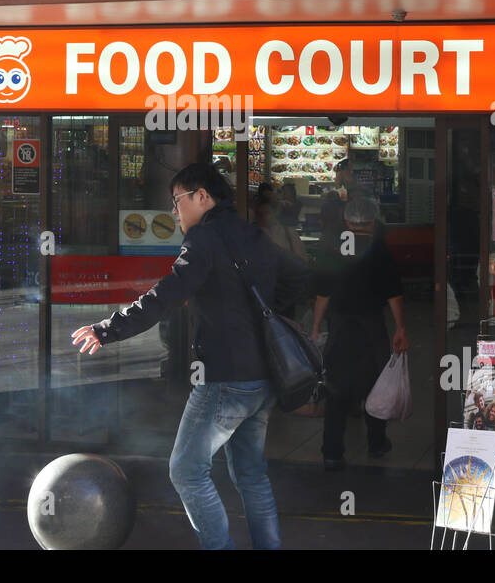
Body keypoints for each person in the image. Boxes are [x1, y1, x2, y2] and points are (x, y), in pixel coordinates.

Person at [72, 162, 308, 550]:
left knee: (186, 471)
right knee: (251, 474)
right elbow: (298, 274)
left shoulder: (203, 240)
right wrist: (264, 313)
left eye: (177, 201)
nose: (174, 212)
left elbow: (163, 297)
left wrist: (106, 329)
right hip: (263, 377)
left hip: (225, 380)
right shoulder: (253, 235)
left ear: (203, 197)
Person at [310, 195, 408, 470]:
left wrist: (316, 326)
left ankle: (332, 451)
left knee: (336, 388)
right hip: (371, 325)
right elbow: (394, 295)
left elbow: (323, 294)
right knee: (375, 385)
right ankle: (377, 443)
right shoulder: (380, 250)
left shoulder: (333, 248)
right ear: (372, 221)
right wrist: (401, 328)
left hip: (340, 326)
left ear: (347, 220)